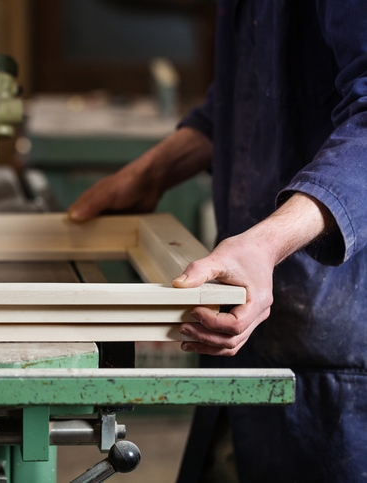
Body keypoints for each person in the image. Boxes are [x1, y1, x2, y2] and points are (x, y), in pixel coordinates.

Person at [68, 2, 367, 481]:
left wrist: (266, 244)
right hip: (245, 326)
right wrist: (154, 170)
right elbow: (246, 98)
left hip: (338, 353)